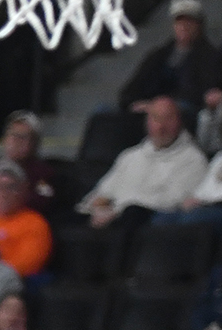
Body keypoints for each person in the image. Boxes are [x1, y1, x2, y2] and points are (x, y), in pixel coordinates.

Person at [83, 96, 207, 230]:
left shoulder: (194, 159)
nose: (161, 127)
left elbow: (172, 202)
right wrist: (99, 207)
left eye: (168, 119)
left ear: (179, 122)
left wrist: (117, 212)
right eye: (156, 118)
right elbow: (103, 192)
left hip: (149, 225)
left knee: (133, 214)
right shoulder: (130, 156)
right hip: (110, 221)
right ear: (147, 122)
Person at [121, 0, 222, 111]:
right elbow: (130, 91)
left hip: (183, 113)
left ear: (199, 26)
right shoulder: (158, 56)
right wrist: (136, 104)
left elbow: (202, 94)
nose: (184, 26)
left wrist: (161, 107)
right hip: (147, 110)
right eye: (180, 21)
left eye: (189, 21)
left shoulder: (211, 58)